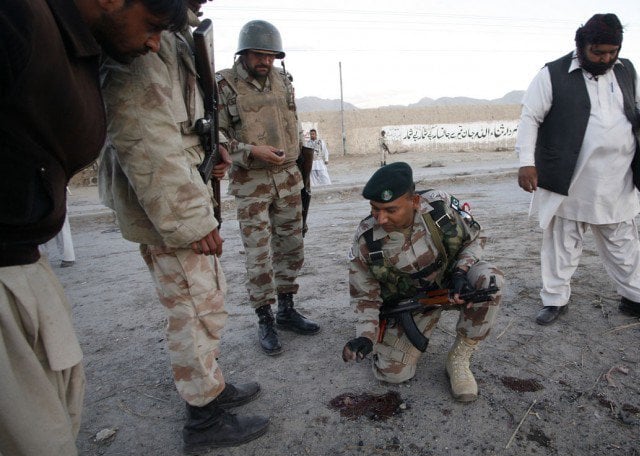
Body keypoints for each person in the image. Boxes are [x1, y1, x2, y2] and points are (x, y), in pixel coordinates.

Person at [0, 0, 186, 456]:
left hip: (24, 266)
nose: (152, 42)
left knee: (55, 435)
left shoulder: (73, 40)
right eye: (152, 25)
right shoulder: (18, 19)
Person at [99, 0, 269, 452]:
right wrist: (192, 219)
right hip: (170, 207)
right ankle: (203, 420)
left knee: (204, 300)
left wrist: (212, 153)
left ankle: (211, 387)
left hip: (181, 194)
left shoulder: (169, 30)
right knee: (194, 310)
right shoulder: (141, 37)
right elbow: (145, 138)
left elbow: (183, 124)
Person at [516, 13, 640, 325]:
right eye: (598, 52)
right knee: (563, 241)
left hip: (618, 176)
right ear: (581, 45)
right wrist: (526, 163)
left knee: (623, 241)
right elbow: (530, 117)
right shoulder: (552, 74)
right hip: (571, 177)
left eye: (612, 52)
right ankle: (555, 301)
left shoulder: (626, 71)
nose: (606, 58)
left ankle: (634, 297)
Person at [343, 162, 503, 402]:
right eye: (375, 208)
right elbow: (365, 297)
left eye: (391, 210)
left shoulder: (439, 206)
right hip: (412, 303)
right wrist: (365, 336)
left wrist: (461, 272)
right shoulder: (366, 240)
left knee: (490, 281)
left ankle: (459, 359)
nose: (381, 218)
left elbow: (475, 238)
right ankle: (409, 333)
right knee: (392, 374)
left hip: (452, 283)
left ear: (414, 202)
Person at [217, 20, 320, 356]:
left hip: (289, 177)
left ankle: (287, 309)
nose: (265, 61)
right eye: (258, 55)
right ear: (243, 53)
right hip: (252, 182)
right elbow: (214, 137)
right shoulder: (224, 84)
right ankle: (264, 318)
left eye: (270, 55)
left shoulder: (283, 81)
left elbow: (294, 124)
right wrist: (250, 151)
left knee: (291, 245)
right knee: (259, 253)